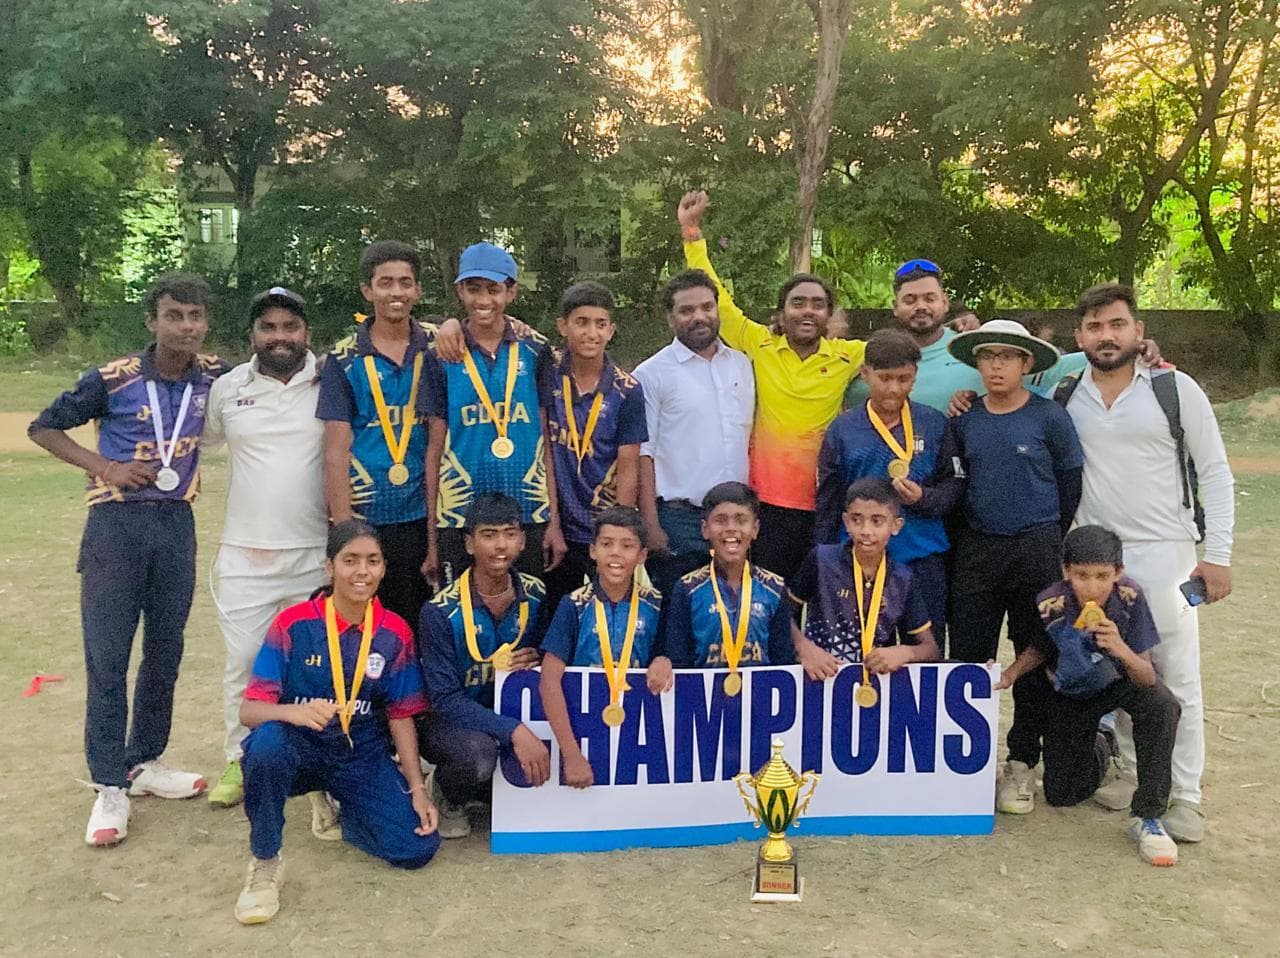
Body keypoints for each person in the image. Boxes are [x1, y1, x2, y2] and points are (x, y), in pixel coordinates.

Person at [29, 273, 228, 846]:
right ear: (153, 321)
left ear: (205, 322)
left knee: (166, 650)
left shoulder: (215, 375)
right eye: (174, 316)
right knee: (109, 657)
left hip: (175, 526)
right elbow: (44, 427)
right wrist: (105, 467)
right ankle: (108, 783)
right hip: (116, 527)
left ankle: (144, 760)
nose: (186, 327)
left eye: (195, 317)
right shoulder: (113, 380)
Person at [1061, 283, 1234, 844]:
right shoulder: (1067, 392)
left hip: (1167, 554)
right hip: (1100, 561)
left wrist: (1219, 558)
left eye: (1116, 324)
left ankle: (1185, 795)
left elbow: (1215, 473)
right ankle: (1136, 774)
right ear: (1079, 337)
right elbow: (1004, 373)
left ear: (1138, 332)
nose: (1106, 335)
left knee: (1175, 673)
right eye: (1093, 326)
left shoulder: (1175, 389)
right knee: (1121, 665)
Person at [235, 520, 439, 925]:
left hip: (359, 753)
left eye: (372, 561)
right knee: (265, 748)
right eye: (350, 561)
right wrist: (291, 711)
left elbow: (400, 715)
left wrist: (417, 788)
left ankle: (346, 807)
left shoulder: (394, 631)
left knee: (417, 848)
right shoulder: (293, 623)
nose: (361, 572)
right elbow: (250, 711)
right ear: (330, 567)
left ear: (383, 568)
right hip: (300, 746)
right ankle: (264, 861)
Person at [678, 190, 867, 581]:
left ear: (828, 314)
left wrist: (962, 332)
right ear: (782, 311)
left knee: (816, 602)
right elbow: (722, 303)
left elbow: (907, 351)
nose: (808, 311)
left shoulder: (849, 355)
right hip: (766, 502)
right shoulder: (759, 344)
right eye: (798, 302)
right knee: (769, 598)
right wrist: (692, 234)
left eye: (817, 304)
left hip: (823, 504)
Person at [945, 319, 1084, 816]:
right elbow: (956, 486)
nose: (997, 365)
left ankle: (1023, 762)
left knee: (1035, 655)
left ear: (1028, 364)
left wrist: (1045, 538)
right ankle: (968, 765)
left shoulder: (1050, 418)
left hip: (1037, 550)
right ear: (977, 364)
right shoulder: (964, 418)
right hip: (978, 552)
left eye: (1008, 356)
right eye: (988, 356)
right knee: (969, 657)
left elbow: (1069, 484)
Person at [202, 286, 329, 810]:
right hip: (245, 555)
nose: (280, 337)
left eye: (290, 328)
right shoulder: (227, 388)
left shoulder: (331, 379)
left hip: (314, 552)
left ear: (306, 334)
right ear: (252, 335)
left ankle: (320, 764)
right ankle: (240, 757)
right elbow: (195, 445)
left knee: (316, 665)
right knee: (246, 661)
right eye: (268, 328)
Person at [994, 526, 1182, 867]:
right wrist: (1010, 673)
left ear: (1118, 573)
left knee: (1162, 704)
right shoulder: (1051, 602)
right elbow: (1039, 647)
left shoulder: (1130, 597)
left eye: (1102, 576)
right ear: (1066, 571)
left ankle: (1149, 818)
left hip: (1119, 680)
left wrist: (1120, 647)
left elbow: (1146, 675)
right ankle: (1102, 744)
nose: (1092, 586)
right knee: (1062, 793)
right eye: (1081, 575)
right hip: (1072, 691)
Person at [423, 241, 568, 586]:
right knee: (459, 616)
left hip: (528, 510)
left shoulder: (535, 351)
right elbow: (434, 450)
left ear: (511, 292)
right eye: (474, 289)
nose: (484, 300)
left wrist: (554, 521)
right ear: (460, 291)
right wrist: (432, 540)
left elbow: (545, 439)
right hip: (458, 516)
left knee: (527, 615)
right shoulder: (441, 356)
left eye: (494, 289)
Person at [815, 329, 962, 651]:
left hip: (920, 555)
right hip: (857, 559)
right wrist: (824, 559)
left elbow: (954, 486)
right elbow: (828, 501)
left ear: (915, 375)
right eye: (884, 378)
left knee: (925, 654)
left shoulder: (935, 423)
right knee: (857, 654)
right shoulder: (843, 430)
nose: (894, 388)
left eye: (904, 378)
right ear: (865, 374)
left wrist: (924, 498)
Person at [318, 241, 438, 632]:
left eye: (406, 283)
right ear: (367, 291)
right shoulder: (343, 359)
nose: (396, 292)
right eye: (385, 283)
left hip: (427, 514)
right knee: (366, 627)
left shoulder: (441, 347)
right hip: (368, 517)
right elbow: (336, 449)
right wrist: (343, 527)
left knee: (422, 624)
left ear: (418, 290)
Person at [417, 493, 551, 839]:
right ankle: (448, 793)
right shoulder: (439, 611)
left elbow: (552, 664)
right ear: (469, 544)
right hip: (452, 725)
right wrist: (513, 730)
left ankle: (487, 791)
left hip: (509, 714)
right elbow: (445, 699)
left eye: (509, 533)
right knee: (478, 756)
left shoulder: (537, 596)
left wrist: (539, 659)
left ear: (522, 540)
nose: (500, 545)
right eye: (489, 535)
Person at [633, 270, 754, 597]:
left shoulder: (742, 365)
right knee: (679, 621)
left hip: (737, 521)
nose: (699, 316)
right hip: (679, 522)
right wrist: (651, 524)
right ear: (670, 317)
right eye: (687, 310)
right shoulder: (650, 375)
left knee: (733, 616)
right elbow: (643, 453)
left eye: (706, 307)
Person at [846, 260, 1092, 413]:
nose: (920, 306)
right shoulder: (867, 358)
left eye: (929, 298)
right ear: (894, 307)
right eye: (910, 300)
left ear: (945, 303)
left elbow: (1057, 369)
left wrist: (1121, 350)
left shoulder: (974, 349)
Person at [539, 507, 663, 788]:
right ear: (593, 551)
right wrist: (570, 755)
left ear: (642, 555)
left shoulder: (656, 605)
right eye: (607, 544)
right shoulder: (573, 605)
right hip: (581, 727)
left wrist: (664, 659)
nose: (616, 553)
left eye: (627, 545)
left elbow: (667, 658)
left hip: (639, 728)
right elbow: (549, 680)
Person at [543, 281, 648, 610]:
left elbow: (629, 463)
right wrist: (552, 523)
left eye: (600, 324)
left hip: (602, 525)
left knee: (611, 611)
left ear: (612, 330)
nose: (591, 333)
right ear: (563, 326)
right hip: (556, 524)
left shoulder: (627, 389)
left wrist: (620, 532)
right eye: (581, 322)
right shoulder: (544, 373)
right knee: (556, 611)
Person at [647, 482, 794, 694]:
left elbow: (783, 662)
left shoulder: (774, 588)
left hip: (758, 704)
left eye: (741, 520)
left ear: (755, 529)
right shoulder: (687, 589)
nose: (731, 528)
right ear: (705, 529)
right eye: (721, 520)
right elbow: (678, 659)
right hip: (701, 703)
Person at [790, 478, 940, 684]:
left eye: (877, 521)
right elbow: (781, 616)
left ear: (896, 526)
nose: (866, 531)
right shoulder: (821, 559)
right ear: (845, 521)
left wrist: (904, 653)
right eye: (856, 520)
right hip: (819, 679)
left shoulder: (903, 578)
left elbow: (931, 649)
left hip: (876, 685)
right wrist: (804, 648)